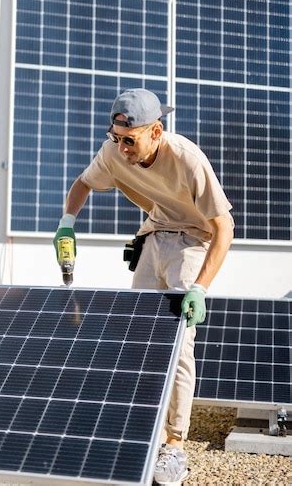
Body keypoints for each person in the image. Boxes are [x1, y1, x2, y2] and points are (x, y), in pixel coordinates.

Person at [53, 88, 234, 486]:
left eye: (129, 140)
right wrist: (67, 223)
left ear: (156, 131)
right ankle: (143, 429)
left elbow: (225, 227)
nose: (120, 149)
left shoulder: (186, 159)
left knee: (178, 342)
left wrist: (200, 288)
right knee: (142, 338)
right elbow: (83, 182)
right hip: (154, 234)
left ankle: (174, 444)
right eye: (115, 138)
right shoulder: (114, 151)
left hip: (193, 239)